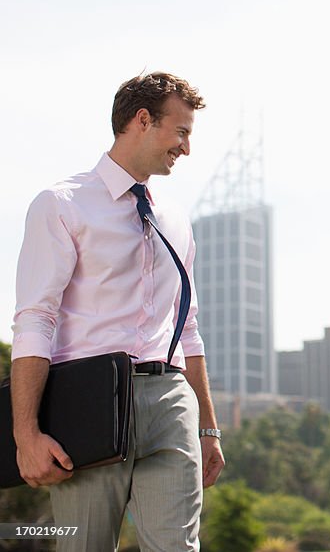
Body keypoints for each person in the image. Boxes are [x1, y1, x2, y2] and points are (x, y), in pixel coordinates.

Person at [10, 72, 224, 551]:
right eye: (182, 131)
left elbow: (187, 326)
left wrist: (207, 428)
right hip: (89, 402)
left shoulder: (175, 217)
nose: (186, 148)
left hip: (169, 400)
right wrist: (26, 434)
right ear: (142, 120)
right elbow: (35, 320)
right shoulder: (61, 204)